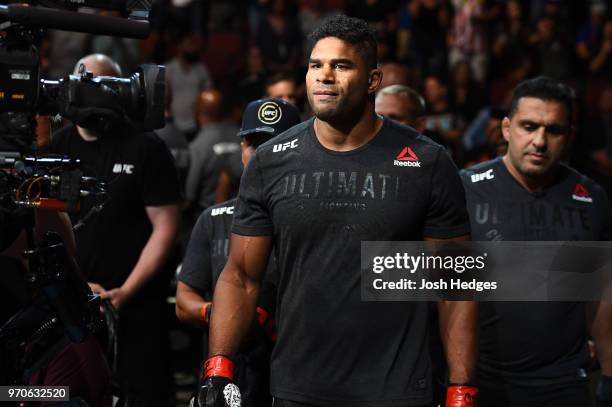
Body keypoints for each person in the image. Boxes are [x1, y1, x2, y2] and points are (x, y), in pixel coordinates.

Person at [200, 14, 478, 407]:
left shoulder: (428, 162)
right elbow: (242, 275)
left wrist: (462, 390)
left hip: (395, 391)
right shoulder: (269, 162)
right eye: (316, 65)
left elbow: (456, 289)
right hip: (297, 388)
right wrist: (218, 367)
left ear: (373, 81)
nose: (324, 76)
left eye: (341, 65)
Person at [460, 76, 612, 406]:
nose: (540, 141)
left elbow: (600, 297)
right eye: (529, 126)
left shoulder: (590, 198)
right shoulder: (465, 191)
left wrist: (610, 373)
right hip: (481, 378)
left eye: (553, 130)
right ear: (506, 129)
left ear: (569, 137)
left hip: (562, 382)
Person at [50, 54, 181, 407]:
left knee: (145, 393)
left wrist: (125, 291)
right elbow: (47, 229)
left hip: (134, 306)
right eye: (83, 83)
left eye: (101, 85)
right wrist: (77, 289)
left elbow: (166, 226)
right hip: (70, 308)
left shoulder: (145, 146)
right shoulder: (56, 147)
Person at [176, 98, 301, 406]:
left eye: (274, 144)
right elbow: (183, 301)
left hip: (295, 374)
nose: (260, 155)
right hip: (231, 376)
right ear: (242, 149)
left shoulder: (310, 218)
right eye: (252, 144)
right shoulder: (213, 219)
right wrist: (218, 313)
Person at [185, 88, 239, 217]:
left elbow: (190, 194)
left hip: (208, 214)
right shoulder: (241, 136)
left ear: (197, 111)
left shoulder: (198, 146)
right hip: (239, 212)